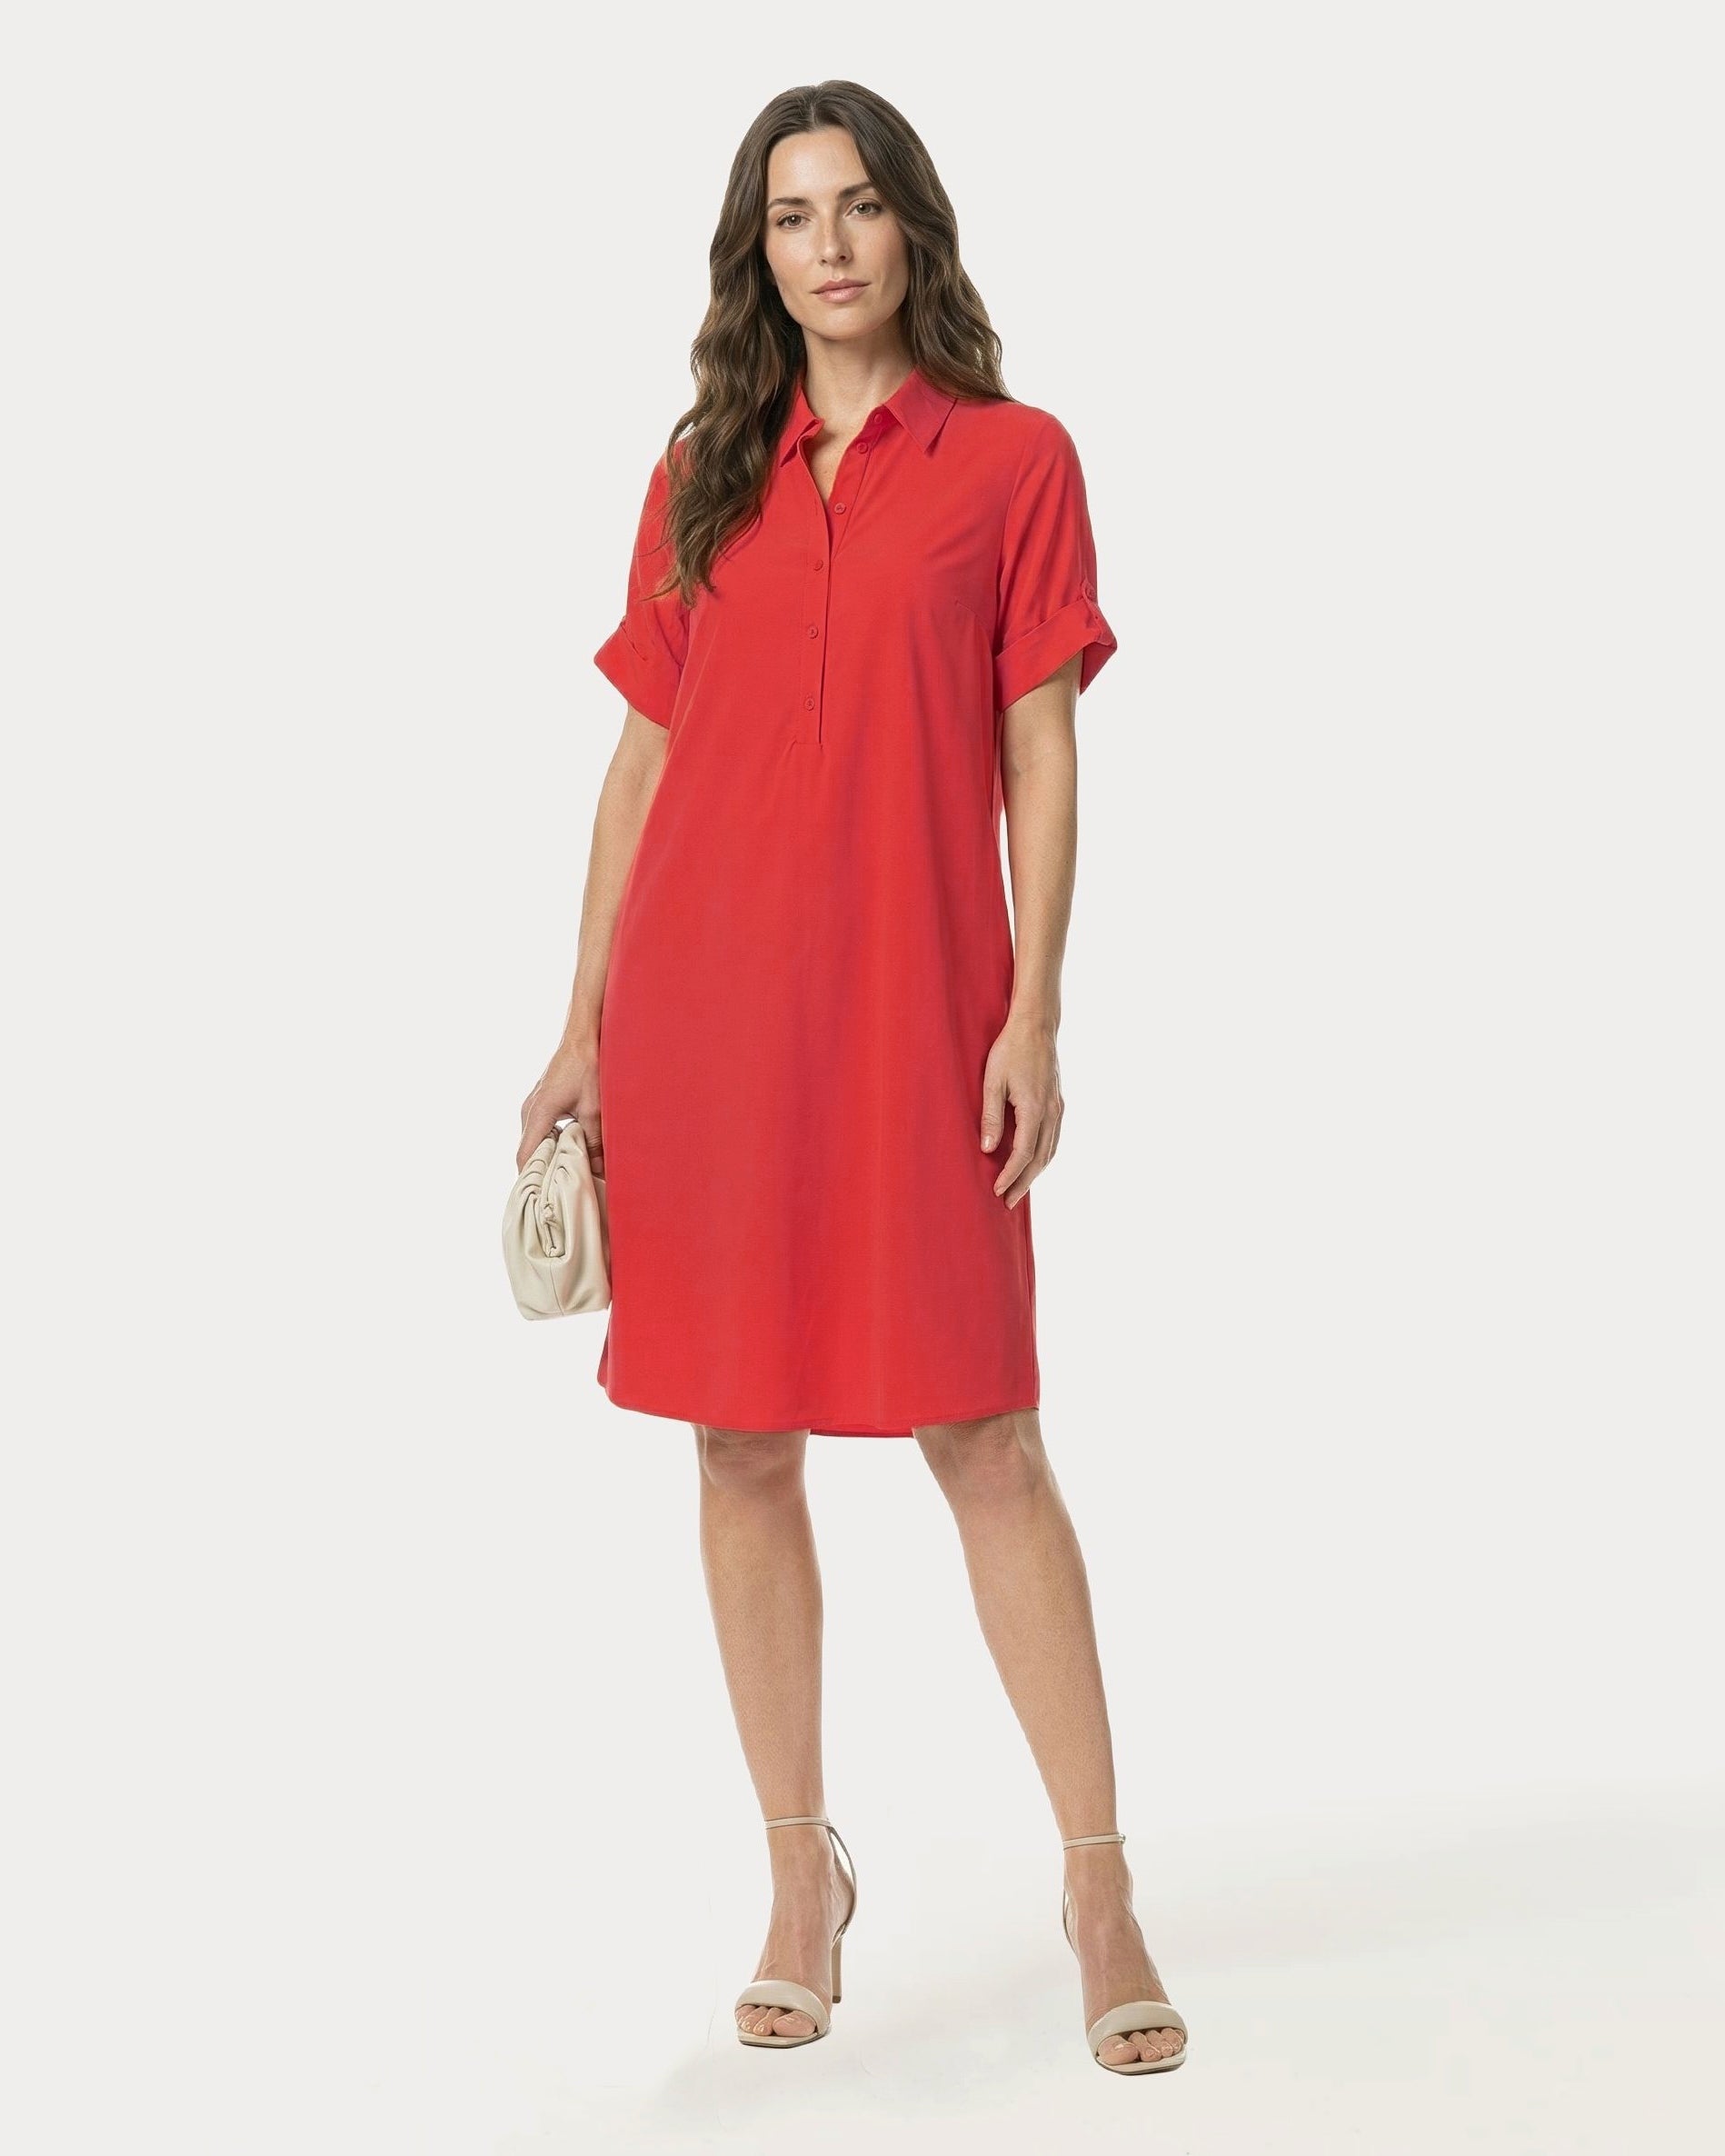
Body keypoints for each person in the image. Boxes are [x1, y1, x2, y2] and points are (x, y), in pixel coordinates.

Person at [518, 80, 1187, 2076]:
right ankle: (800, 1878)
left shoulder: (1011, 460)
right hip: (702, 1020)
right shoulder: (700, 469)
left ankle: (1099, 1885)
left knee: (983, 1433)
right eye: (794, 214)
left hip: (916, 1013)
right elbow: (643, 759)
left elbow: (1041, 746)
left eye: (862, 205)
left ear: (913, 231)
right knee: (737, 1443)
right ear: (759, 250)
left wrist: (1033, 1010)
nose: (830, 245)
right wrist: (578, 1025)